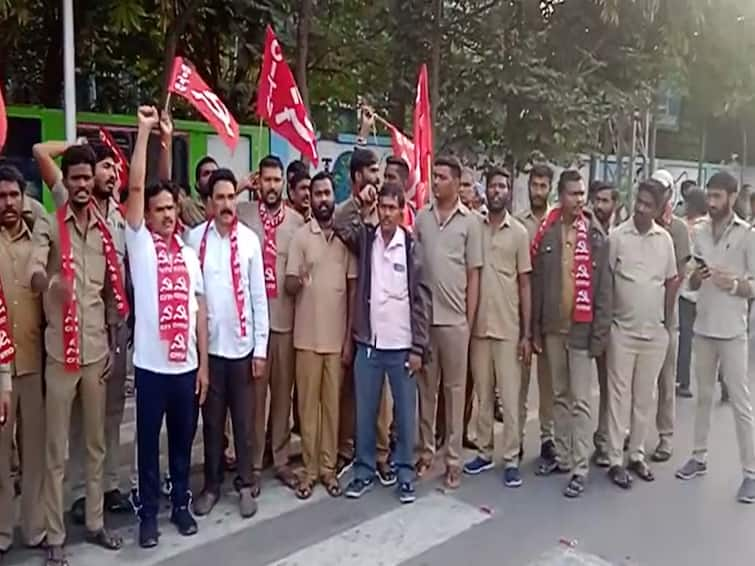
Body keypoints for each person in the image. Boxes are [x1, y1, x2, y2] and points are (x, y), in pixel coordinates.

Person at [28, 145, 128, 564]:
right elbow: (34, 269)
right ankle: (55, 534)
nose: (83, 185)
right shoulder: (52, 226)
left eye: (89, 178)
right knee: (56, 450)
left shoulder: (106, 231)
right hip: (59, 356)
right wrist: (47, 284)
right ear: (66, 182)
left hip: (96, 355)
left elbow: (111, 295)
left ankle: (94, 522)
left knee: (95, 445)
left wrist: (113, 340)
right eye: (76, 178)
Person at [124, 106, 209, 547]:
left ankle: (181, 506)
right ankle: (149, 516)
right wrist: (144, 133)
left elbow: (199, 310)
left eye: (171, 209)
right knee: (147, 448)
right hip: (151, 368)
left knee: (182, 442)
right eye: (158, 210)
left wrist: (204, 367)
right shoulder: (139, 245)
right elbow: (139, 185)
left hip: (186, 368)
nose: (166, 215)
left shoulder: (189, 253)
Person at [336, 181, 431, 503]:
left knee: (405, 415)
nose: (387, 213)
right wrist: (357, 200)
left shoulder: (411, 246)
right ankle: (363, 471)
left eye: (393, 208)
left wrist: (418, 346)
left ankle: (404, 472)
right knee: (366, 413)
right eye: (383, 207)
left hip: (403, 346)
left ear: (402, 211)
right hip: (370, 344)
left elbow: (421, 300)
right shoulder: (366, 239)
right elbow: (338, 224)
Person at [186, 168, 269, 518]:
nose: (226, 204)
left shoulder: (250, 240)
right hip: (209, 352)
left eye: (230, 197)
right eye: (219, 198)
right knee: (213, 423)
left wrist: (261, 349)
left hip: (243, 349)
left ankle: (247, 484)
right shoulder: (194, 240)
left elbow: (259, 298)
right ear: (208, 203)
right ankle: (212, 486)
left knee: (245, 423)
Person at [531, 169, 611, 498]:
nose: (579, 200)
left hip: (581, 331)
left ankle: (580, 468)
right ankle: (562, 456)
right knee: (558, 396)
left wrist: (599, 335)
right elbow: (537, 285)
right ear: (560, 196)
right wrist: (534, 328)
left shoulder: (595, 236)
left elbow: (603, 290)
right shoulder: (547, 232)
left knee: (580, 401)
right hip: (552, 328)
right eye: (573, 194)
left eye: (582, 194)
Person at [675, 171, 755, 504]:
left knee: (741, 403)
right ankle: (698, 455)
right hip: (703, 326)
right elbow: (691, 283)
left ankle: (750, 473)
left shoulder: (748, 236)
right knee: (704, 396)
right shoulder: (701, 232)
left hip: (734, 330)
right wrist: (696, 278)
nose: (711, 202)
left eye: (718, 196)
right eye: (709, 195)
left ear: (733, 197)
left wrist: (735, 285)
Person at [285, 172, 357, 500]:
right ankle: (310, 470)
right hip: (305, 339)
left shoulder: (346, 239)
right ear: (310, 200)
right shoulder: (300, 237)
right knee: (307, 410)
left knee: (332, 408)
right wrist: (299, 279)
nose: (323, 199)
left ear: (333, 196)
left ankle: (328, 469)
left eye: (328, 193)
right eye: (317, 194)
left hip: (336, 340)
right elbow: (288, 286)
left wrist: (348, 341)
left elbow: (354, 291)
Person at [237, 155, 305, 493]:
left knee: (282, 395)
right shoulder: (244, 214)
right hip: (252, 325)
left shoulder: (296, 222)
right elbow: (212, 214)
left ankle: (280, 460)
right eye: (266, 180)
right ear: (258, 182)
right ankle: (251, 463)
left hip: (286, 321)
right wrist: (238, 186)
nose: (272, 186)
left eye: (277, 180)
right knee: (255, 398)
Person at [414, 155, 483, 490]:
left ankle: (453, 460)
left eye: (442, 177)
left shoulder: (471, 223)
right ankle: (426, 453)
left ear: (457, 182)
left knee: (455, 393)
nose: (436, 181)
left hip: (456, 322)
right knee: (427, 391)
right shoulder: (421, 218)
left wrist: (467, 324)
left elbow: (474, 275)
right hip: (425, 321)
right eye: (435, 176)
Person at [604, 180, 677, 489]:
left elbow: (672, 280)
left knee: (643, 398)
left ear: (660, 209)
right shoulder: (617, 237)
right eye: (640, 202)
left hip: (654, 333)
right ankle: (614, 459)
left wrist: (665, 320)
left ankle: (636, 455)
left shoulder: (665, 241)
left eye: (650, 205)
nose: (642, 209)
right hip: (622, 330)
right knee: (618, 397)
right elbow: (606, 282)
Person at [463, 167, 532, 487]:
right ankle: (484, 450)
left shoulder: (518, 233)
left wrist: (526, 334)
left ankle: (512, 456)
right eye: (493, 186)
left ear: (509, 192)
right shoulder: (472, 227)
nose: (497, 191)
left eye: (503, 186)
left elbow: (525, 284)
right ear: (485, 190)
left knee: (510, 396)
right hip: (479, 326)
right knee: (483, 393)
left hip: (508, 326)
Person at [334, 148, 393, 484]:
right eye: (372, 171)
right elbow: (361, 245)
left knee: (381, 391)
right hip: (353, 313)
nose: (377, 177)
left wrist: (375, 212)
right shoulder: (344, 213)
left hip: (383, 315)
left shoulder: (386, 210)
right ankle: (348, 449)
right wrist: (366, 212)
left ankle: (382, 454)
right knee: (350, 388)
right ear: (357, 177)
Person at [0, 166, 45, 560]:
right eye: (2, 197)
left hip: (33, 366)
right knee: (0, 459)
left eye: (14, 195)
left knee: (34, 456)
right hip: (0, 374)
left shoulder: (37, 240)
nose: (9, 203)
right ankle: (1, 532)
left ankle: (34, 529)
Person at [514, 163, 556, 467]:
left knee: (548, 383)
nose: (538, 191)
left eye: (543, 186)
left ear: (550, 189)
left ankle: (547, 438)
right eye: (534, 185)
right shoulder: (518, 224)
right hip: (521, 313)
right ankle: (514, 441)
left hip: (551, 314)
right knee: (519, 382)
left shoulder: (558, 222)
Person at [650, 169, 691, 463]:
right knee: (633, 380)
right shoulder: (638, 224)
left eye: (663, 192)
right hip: (636, 314)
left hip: (667, 315)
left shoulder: (677, 229)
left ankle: (665, 437)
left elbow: (678, 274)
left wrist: (665, 313)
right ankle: (630, 432)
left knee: (666, 379)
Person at [587, 181, 620, 467]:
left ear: (615, 205)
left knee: (613, 387)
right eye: (596, 200)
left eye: (606, 201)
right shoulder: (586, 233)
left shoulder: (621, 235)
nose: (600, 206)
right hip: (591, 321)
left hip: (618, 324)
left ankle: (608, 440)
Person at [676, 187, 708, 398]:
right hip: (708, 289)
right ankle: (723, 380)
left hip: (688, 288)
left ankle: (684, 381)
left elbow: (684, 258)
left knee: (686, 335)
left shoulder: (688, 228)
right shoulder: (713, 227)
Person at [180, 156, 219, 228]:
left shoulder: (228, 206)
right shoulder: (188, 205)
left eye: (215, 173)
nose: (212, 177)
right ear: (198, 184)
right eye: (206, 173)